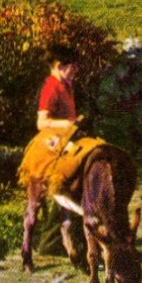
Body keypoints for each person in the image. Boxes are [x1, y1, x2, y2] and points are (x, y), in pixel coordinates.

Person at [18, 43, 89, 217]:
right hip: (54, 139)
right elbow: (41, 123)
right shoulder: (51, 87)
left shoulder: (66, 84)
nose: (76, 70)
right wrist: (66, 124)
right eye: (73, 66)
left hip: (69, 135)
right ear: (60, 66)